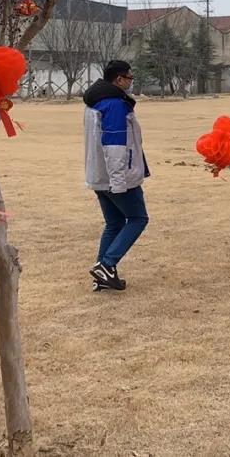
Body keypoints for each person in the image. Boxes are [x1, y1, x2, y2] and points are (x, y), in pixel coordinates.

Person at [84, 60, 150, 291]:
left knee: (114, 223)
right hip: (116, 177)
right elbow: (115, 146)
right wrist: (119, 182)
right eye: (129, 78)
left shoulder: (96, 102)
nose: (131, 82)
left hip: (99, 175)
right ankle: (107, 264)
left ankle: (102, 275)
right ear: (119, 79)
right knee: (138, 218)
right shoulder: (114, 104)